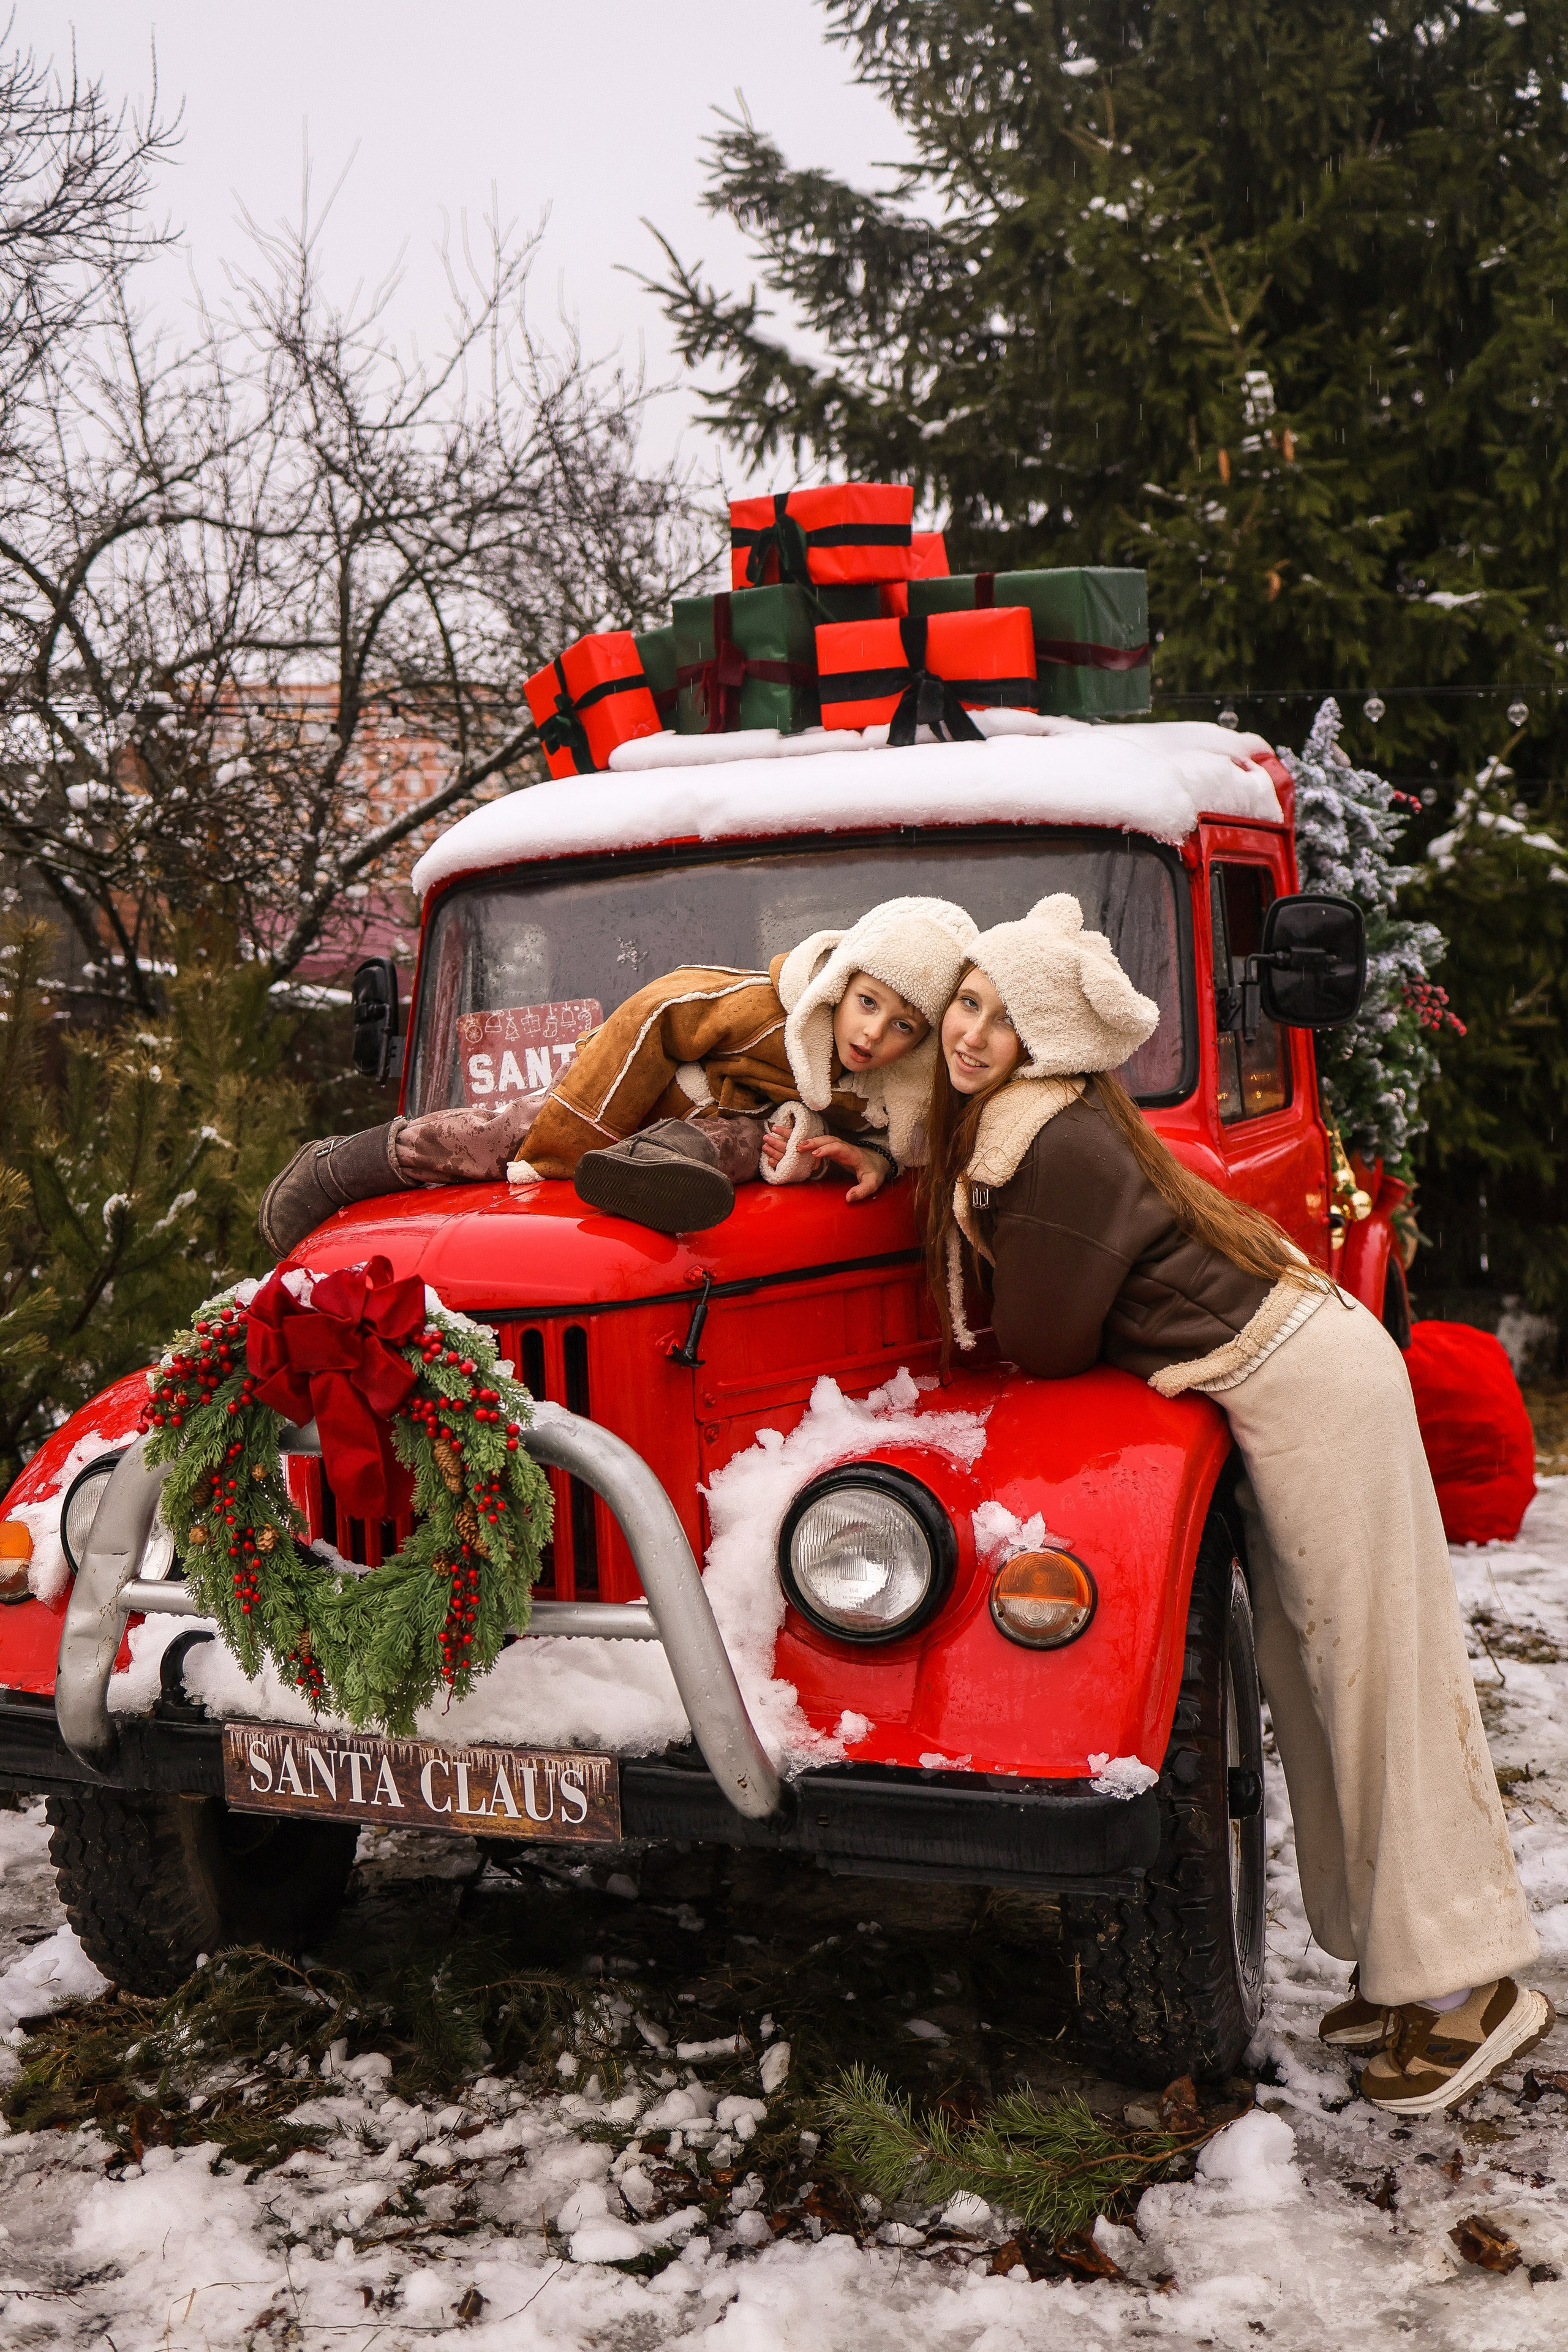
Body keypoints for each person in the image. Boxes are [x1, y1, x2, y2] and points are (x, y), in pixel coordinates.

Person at [921, 891, 1552, 2116]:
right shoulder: (1032, 1123)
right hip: (1281, 1380)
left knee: (1374, 1675)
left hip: (1307, 1391)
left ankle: (1476, 1988)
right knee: (1310, 1682)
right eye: (964, 1000)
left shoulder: (1046, 1145)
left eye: (998, 1016)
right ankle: (1401, 1963)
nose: (965, 1031)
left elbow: (1045, 1342)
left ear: (1045, 1038)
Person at [258, 896, 977, 1251]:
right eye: (868, 1004)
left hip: (706, 1126)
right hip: (615, 1084)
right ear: (840, 983)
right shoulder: (757, 1007)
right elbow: (655, 1014)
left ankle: (648, 1172)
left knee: (738, 1147)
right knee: (496, 1129)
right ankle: (341, 1166)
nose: (874, 1034)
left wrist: (870, 1161)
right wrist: (560, 1148)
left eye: (905, 1027)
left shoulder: (882, 1085)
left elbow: (887, 1133)